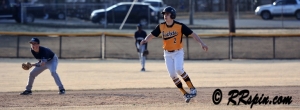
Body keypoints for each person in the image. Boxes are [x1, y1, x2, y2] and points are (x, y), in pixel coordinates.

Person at [140, 6, 208, 103]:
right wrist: (145, 40)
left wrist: (202, 43)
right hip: (167, 53)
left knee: (179, 69)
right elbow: (152, 35)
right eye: (164, 14)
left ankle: (192, 89)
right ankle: (185, 94)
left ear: (172, 15)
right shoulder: (161, 26)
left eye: (167, 14)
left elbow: (193, 34)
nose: (165, 16)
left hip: (178, 52)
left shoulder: (180, 26)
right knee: (172, 75)